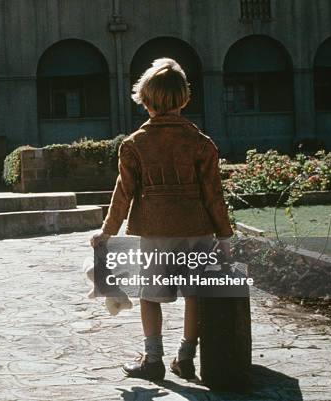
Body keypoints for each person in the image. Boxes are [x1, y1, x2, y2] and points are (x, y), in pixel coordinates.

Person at [90, 58, 233, 381]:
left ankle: (153, 359)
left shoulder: (134, 145)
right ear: (184, 98)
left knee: (150, 295)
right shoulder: (201, 144)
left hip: (155, 233)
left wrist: (107, 233)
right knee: (194, 294)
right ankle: (186, 356)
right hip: (197, 231)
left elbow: (123, 194)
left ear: (146, 101)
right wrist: (224, 237)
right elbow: (214, 196)